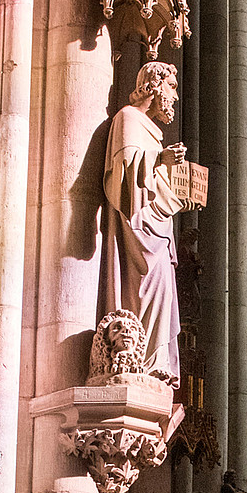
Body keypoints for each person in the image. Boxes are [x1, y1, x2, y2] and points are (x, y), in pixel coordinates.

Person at [101, 61, 188, 388]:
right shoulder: (128, 118)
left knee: (164, 295)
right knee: (144, 290)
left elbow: (154, 185)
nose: (174, 98)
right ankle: (139, 359)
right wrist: (159, 160)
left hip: (158, 230)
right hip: (138, 227)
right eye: (171, 88)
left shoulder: (151, 129)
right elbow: (124, 171)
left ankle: (155, 361)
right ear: (154, 85)